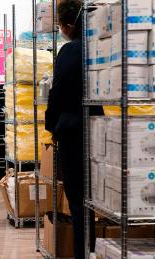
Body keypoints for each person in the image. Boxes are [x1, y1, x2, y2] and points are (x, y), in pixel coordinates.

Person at [45, 1, 103, 258]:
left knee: (78, 200)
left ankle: (82, 254)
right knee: (91, 199)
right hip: (98, 131)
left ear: (68, 25)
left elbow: (56, 95)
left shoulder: (69, 51)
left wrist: (51, 124)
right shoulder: (100, 49)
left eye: (60, 25)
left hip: (73, 132)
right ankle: (91, 250)